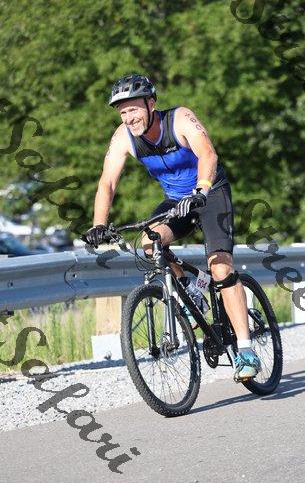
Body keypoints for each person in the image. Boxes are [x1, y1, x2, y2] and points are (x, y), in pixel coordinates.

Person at [84, 73, 261, 381]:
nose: (129, 118)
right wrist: (99, 224)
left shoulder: (179, 119)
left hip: (210, 193)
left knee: (220, 267)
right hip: (176, 201)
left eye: (134, 109)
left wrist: (202, 189)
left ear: (151, 104)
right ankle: (192, 290)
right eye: (123, 112)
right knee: (150, 242)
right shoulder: (123, 136)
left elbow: (208, 154)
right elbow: (107, 182)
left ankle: (245, 350)